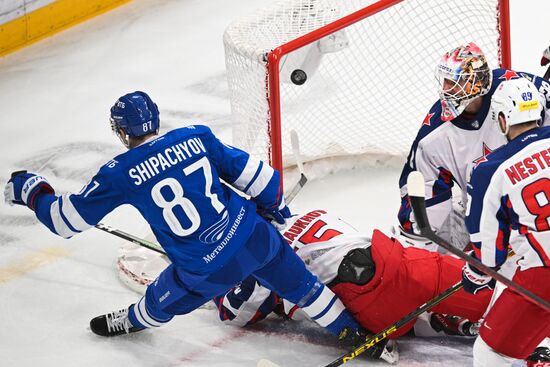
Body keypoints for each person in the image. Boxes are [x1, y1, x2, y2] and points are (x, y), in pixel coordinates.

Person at [3, 91, 367, 347]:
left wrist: (32, 190)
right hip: (255, 237)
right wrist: (276, 212)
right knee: (305, 288)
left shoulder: (118, 173)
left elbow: (65, 220)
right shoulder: (198, 136)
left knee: (159, 303)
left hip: (205, 270)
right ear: (156, 119)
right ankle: (359, 338)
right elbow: (261, 180)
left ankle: (130, 321)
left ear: (121, 131)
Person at [397, 42, 550, 251]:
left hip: (535, 196)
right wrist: (416, 236)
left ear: (475, 83)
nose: (444, 90)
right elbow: (424, 191)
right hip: (481, 205)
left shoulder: (515, 87)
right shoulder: (433, 136)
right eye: (444, 82)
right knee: (427, 246)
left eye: (452, 82)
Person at [463, 78, 550, 366]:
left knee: (490, 353)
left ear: (503, 118)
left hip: (544, 276)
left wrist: (477, 274)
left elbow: (488, 253)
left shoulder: (490, 169)